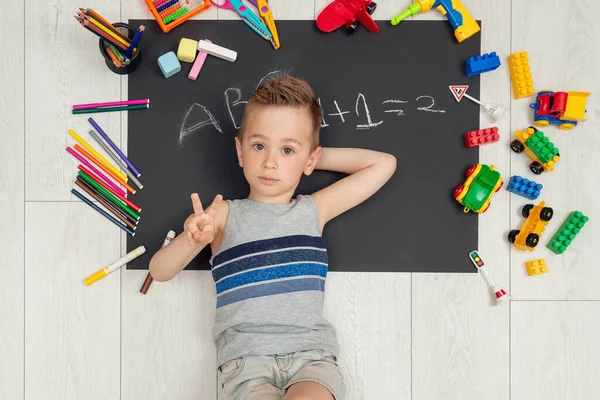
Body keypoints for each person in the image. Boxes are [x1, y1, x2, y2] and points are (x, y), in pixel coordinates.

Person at [149, 75, 397, 400]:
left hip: (311, 356)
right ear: (240, 151)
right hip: (245, 362)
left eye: (287, 150)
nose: (270, 161)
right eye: (259, 145)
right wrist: (190, 240)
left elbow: (383, 164)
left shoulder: (314, 210)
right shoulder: (222, 215)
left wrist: (311, 156)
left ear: (310, 158)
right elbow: (158, 271)